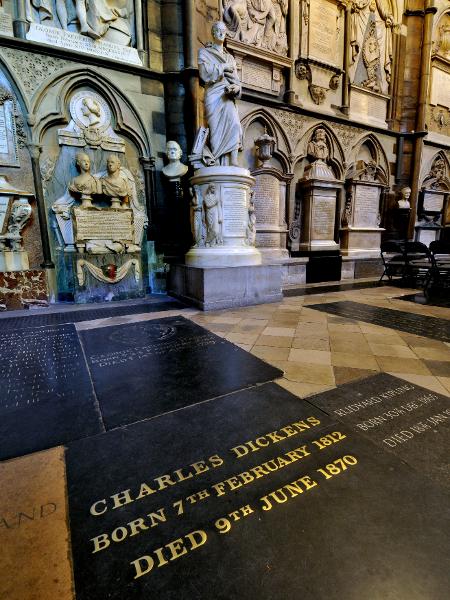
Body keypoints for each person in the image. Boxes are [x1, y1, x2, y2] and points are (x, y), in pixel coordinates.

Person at [198, 21, 242, 166]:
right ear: (213, 33)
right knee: (215, 129)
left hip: (227, 96)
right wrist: (223, 67)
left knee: (234, 123)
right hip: (213, 94)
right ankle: (216, 161)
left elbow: (236, 80)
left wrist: (236, 89)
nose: (221, 33)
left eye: (223, 31)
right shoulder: (204, 52)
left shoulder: (230, 58)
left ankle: (234, 160)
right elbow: (204, 74)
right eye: (218, 30)